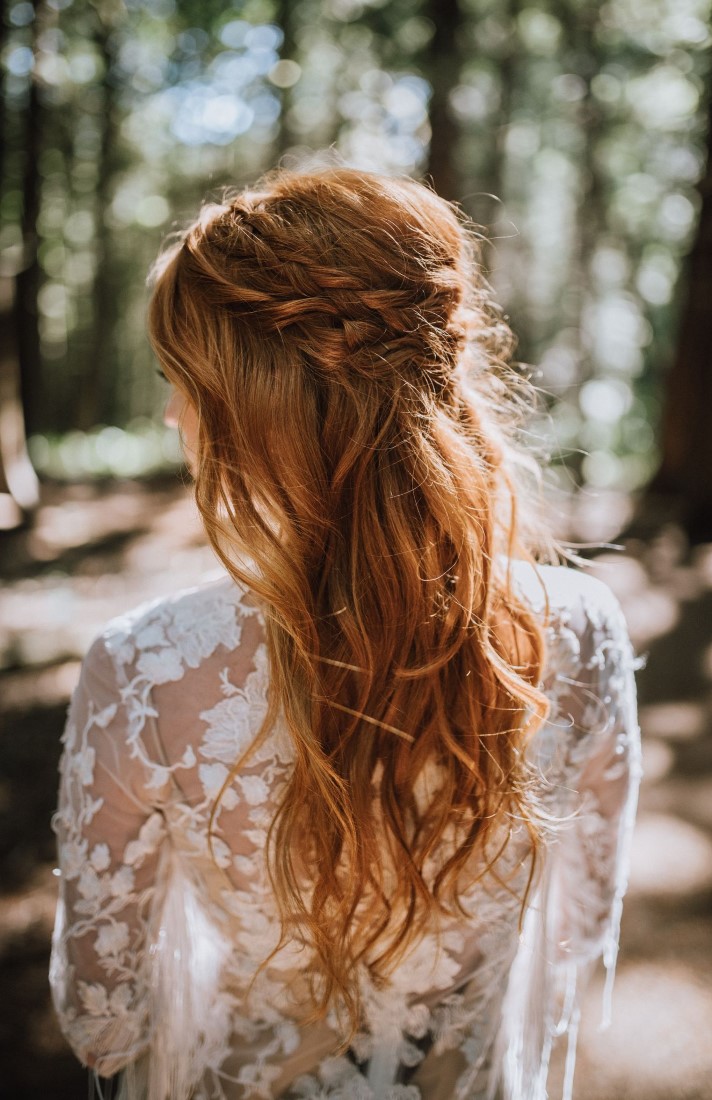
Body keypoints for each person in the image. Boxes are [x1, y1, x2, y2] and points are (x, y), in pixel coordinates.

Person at [50, 168, 642, 1100]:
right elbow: (577, 929)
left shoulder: (144, 670)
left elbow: (103, 1018)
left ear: (261, 407)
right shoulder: (585, 629)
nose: (172, 415)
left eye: (183, 383)